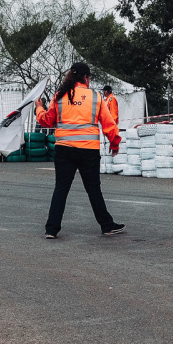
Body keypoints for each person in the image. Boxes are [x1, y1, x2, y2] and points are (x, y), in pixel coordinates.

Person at [35, 62, 125, 239]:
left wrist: (39, 107)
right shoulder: (96, 97)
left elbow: (46, 120)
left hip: (64, 150)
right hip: (88, 151)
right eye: (89, 77)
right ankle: (107, 226)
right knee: (93, 189)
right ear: (85, 77)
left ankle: (51, 229)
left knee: (61, 188)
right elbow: (109, 124)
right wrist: (115, 144)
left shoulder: (59, 96)